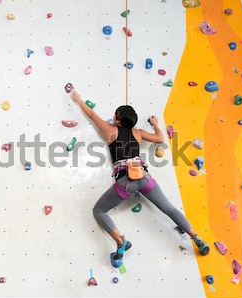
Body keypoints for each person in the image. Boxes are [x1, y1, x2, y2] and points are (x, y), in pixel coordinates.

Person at [69, 88, 209, 268]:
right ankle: (197, 239)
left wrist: (79, 99)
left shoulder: (110, 130)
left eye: (116, 114)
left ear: (118, 120)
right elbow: (159, 138)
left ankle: (121, 243)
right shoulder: (139, 133)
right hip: (144, 177)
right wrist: (156, 123)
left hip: (125, 182)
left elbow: (91, 114)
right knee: (168, 207)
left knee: (99, 210)